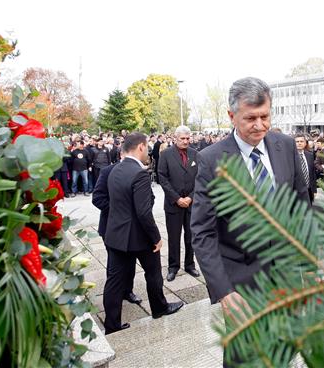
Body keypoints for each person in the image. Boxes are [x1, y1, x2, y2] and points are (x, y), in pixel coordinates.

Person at [191, 77, 308, 365]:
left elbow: (302, 210)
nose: (259, 125)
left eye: (265, 116)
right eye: (250, 118)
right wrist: (224, 292)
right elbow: (203, 233)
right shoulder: (211, 160)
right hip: (241, 285)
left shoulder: (286, 146)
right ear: (232, 116)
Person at [103, 133, 183, 335]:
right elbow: (143, 212)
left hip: (116, 235)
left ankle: (112, 325)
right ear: (140, 147)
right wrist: (156, 237)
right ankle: (159, 308)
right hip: (139, 236)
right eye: (146, 148)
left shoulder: (115, 170)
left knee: (114, 281)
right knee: (153, 273)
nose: (147, 151)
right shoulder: (139, 173)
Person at [92, 157, 142, 306]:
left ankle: (128, 291)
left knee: (131, 260)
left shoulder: (137, 171)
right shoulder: (107, 171)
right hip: (111, 226)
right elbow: (98, 198)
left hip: (131, 227)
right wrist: (119, 211)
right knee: (115, 265)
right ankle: (115, 294)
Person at [158, 126, 200, 282]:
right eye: (182, 138)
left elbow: (201, 178)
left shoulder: (196, 154)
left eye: (188, 138)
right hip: (173, 204)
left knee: (191, 237)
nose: (185, 141)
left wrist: (191, 197)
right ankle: (173, 267)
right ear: (175, 138)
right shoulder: (166, 155)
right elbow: (162, 178)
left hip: (191, 204)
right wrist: (177, 198)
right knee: (174, 238)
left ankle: (190, 265)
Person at [295, 134, 317, 204]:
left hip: (309, 191)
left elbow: (313, 173)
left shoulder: (310, 155)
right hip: (296, 192)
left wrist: (314, 190)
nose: (299, 143)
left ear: (305, 143)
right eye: (297, 141)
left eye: (301, 141)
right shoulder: (290, 156)